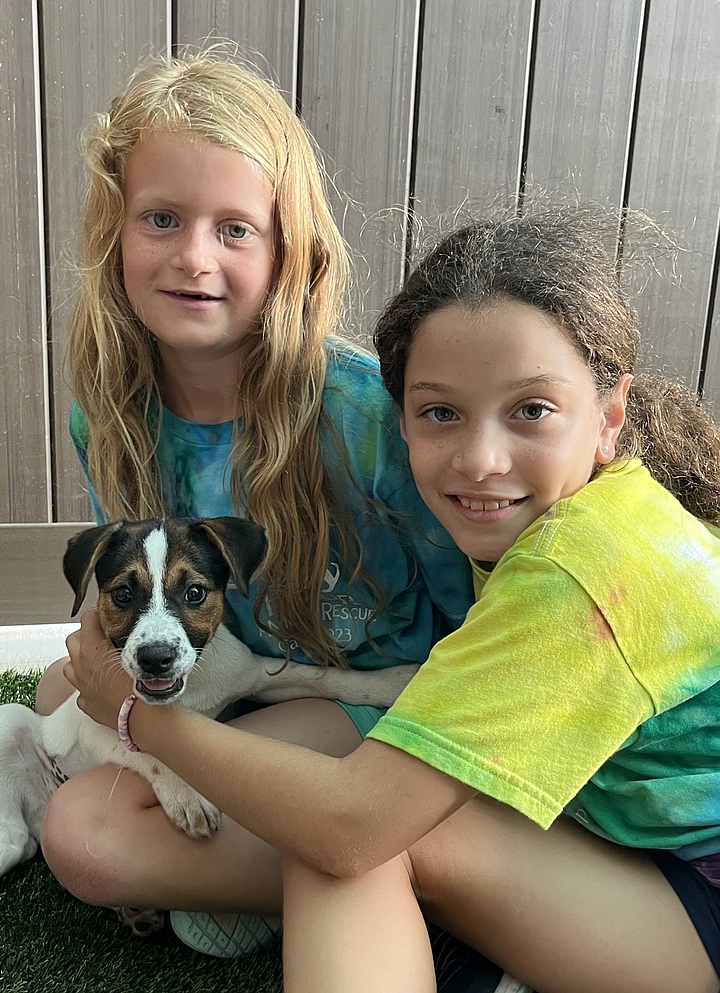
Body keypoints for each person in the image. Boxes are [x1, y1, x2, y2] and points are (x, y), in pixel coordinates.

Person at [64, 207, 720, 993]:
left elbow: (349, 826)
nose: (480, 459)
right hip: (603, 837)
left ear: (609, 417)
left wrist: (137, 714)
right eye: (441, 411)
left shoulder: (579, 568)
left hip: (688, 897)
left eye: (532, 410)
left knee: (347, 842)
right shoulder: (564, 516)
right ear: (399, 417)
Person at [36, 48, 486, 980]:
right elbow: (137, 602)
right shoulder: (111, 415)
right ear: (114, 233)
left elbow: (476, 605)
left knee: (84, 835)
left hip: (377, 696)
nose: (195, 257)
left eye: (236, 228)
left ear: (289, 250)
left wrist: (149, 730)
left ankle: (407, 861)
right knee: (55, 692)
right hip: (250, 675)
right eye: (162, 218)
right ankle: (277, 867)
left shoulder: (367, 418)